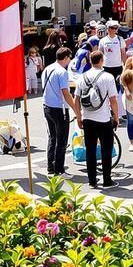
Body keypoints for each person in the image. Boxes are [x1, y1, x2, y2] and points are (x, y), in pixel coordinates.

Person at [76, 49, 120, 189]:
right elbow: (113, 99)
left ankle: (92, 180)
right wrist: (116, 117)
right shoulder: (107, 77)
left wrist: (79, 116)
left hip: (88, 118)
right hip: (103, 118)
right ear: (101, 61)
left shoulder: (82, 77)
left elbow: (76, 99)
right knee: (106, 149)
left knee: (90, 150)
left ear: (90, 61)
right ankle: (107, 180)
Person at [41, 47, 79, 176]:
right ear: (66, 57)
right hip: (59, 108)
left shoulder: (48, 68)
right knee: (62, 140)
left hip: (47, 106)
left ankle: (50, 166)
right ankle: (59, 169)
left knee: (52, 137)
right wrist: (75, 109)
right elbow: (66, 93)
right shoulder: (62, 72)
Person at [100, 21, 127, 90]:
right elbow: (100, 53)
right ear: (108, 29)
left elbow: (123, 53)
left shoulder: (120, 39)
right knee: (106, 87)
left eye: (116, 28)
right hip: (106, 66)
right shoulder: (103, 40)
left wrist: (126, 66)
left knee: (117, 86)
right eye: (112, 28)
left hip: (117, 66)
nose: (114, 30)